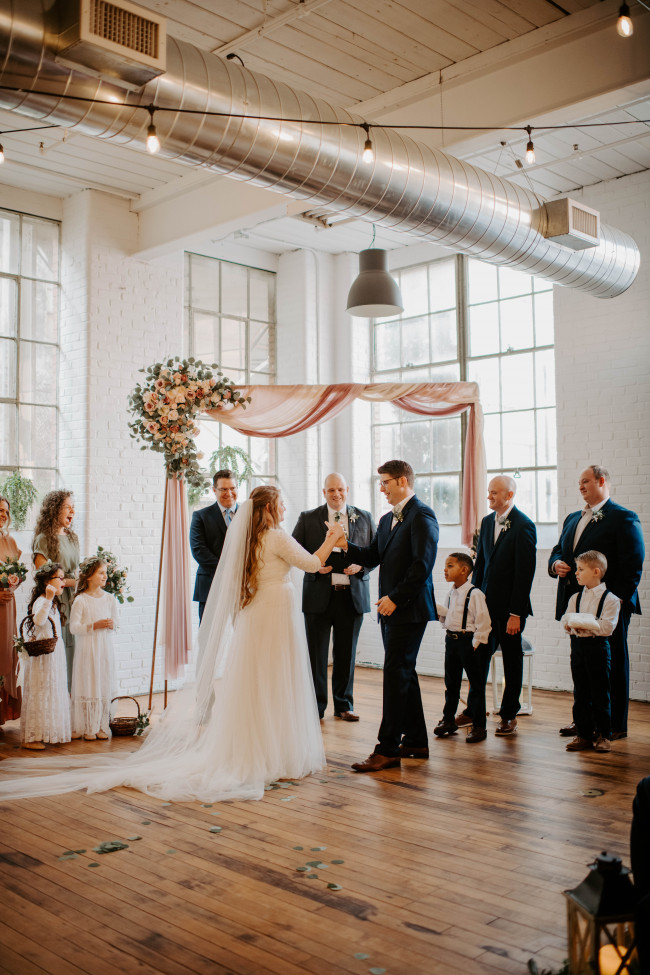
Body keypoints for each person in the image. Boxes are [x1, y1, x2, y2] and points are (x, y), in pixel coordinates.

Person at [0, 486, 346, 803]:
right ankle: (275, 751)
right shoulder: (276, 536)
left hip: (258, 614)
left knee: (257, 682)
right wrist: (333, 536)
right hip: (274, 613)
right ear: (271, 507)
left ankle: (259, 748)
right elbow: (313, 564)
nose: (286, 506)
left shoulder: (251, 539)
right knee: (276, 680)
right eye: (281, 501)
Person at [338, 460, 438, 773]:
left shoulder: (423, 516)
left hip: (409, 610)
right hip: (390, 610)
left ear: (402, 481)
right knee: (403, 672)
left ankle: (388, 749)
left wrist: (395, 598)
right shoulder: (385, 520)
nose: (381, 488)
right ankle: (417, 741)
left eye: (385, 482)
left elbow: (422, 566)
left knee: (395, 675)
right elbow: (373, 556)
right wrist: (345, 545)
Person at [549, 465, 644, 741]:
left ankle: (613, 724)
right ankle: (585, 723)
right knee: (582, 665)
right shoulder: (571, 518)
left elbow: (633, 564)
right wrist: (555, 563)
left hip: (608, 606)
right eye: (579, 482)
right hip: (578, 604)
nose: (580, 486)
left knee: (611, 663)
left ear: (602, 481)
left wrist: (613, 600)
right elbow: (559, 550)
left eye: (585, 481)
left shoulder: (623, 517)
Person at [292, 472, 375, 721]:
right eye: (331, 490)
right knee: (316, 655)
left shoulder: (365, 517)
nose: (336, 494)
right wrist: (313, 565)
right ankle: (315, 707)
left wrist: (362, 567)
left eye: (340, 489)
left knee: (346, 654)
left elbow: (377, 552)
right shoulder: (308, 518)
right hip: (318, 594)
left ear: (347, 489)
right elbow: (294, 550)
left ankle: (344, 705)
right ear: (323, 492)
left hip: (352, 596)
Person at [471, 475, 536, 736]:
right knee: (478, 660)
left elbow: (524, 574)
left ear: (509, 495)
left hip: (510, 610)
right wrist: (473, 599)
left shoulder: (524, 526)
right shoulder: (487, 523)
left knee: (512, 661)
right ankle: (475, 714)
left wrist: (516, 613)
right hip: (485, 608)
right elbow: (481, 566)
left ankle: (509, 715)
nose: (489, 497)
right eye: (488, 492)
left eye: (494, 493)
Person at [561, 551, 620, 754]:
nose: (576, 573)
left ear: (596, 572)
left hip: (598, 649)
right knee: (581, 692)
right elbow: (566, 620)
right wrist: (575, 625)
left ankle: (604, 735)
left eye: (580, 569)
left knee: (600, 692)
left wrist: (584, 624)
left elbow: (607, 627)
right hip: (577, 648)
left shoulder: (610, 599)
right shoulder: (576, 597)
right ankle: (584, 735)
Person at [434, 553, 492, 744]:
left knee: (476, 685)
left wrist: (476, 645)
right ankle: (448, 719)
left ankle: (479, 725)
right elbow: (450, 616)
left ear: (464, 570)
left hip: (469, 643)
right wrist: (441, 614)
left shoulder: (475, 594)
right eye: (445, 566)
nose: (445, 570)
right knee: (451, 683)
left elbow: (484, 622)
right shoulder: (451, 592)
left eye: (450, 566)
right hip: (451, 641)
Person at [20, 562, 71, 750]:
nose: (63, 581)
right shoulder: (43, 600)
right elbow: (38, 620)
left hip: (53, 654)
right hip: (43, 657)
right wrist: (49, 597)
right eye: (60, 578)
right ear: (47, 582)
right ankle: (31, 737)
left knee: (51, 690)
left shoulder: (52, 601)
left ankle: (47, 730)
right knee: (41, 692)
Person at [32, 490, 80, 690]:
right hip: (54, 601)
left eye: (73, 507)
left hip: (73, 601)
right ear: (55, 509)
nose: (72, 511)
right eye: (68, 507)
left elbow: (75, 570)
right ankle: (56, 704)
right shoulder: (43, 539)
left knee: (74, 650)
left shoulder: (72, 537)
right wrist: (76, 582)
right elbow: (45, 577)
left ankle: (70, 703)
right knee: (57, 649)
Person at [69, 557, 119, 741]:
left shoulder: (109, 599)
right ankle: (87, 726)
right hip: (88, 650)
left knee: (103, 683)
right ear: (89, 576)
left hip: (104, 649)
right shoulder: (81, 600)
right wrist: (94, 625)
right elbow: (74, 628)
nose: (105, 576)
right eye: (101, 573)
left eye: (106, 573)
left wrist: (112, 624)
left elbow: (117, 623)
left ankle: (100, 725)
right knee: (89, 684)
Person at [190, 469, 238, 623]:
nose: (229, 493)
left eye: (232, 488)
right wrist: (227, 572)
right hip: (210, 584)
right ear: (214, 490)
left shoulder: (249, 513)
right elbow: (199, 550)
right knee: (208, 638)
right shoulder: (201, 516)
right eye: (224, 489)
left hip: (241, 587)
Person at [0, 496, 23, 725]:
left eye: (5, 511)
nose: (3, 515)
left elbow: (18, 572)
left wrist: (14, 582)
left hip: (7, 607)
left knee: (7, 652)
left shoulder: (9, 540)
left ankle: (3, 712)